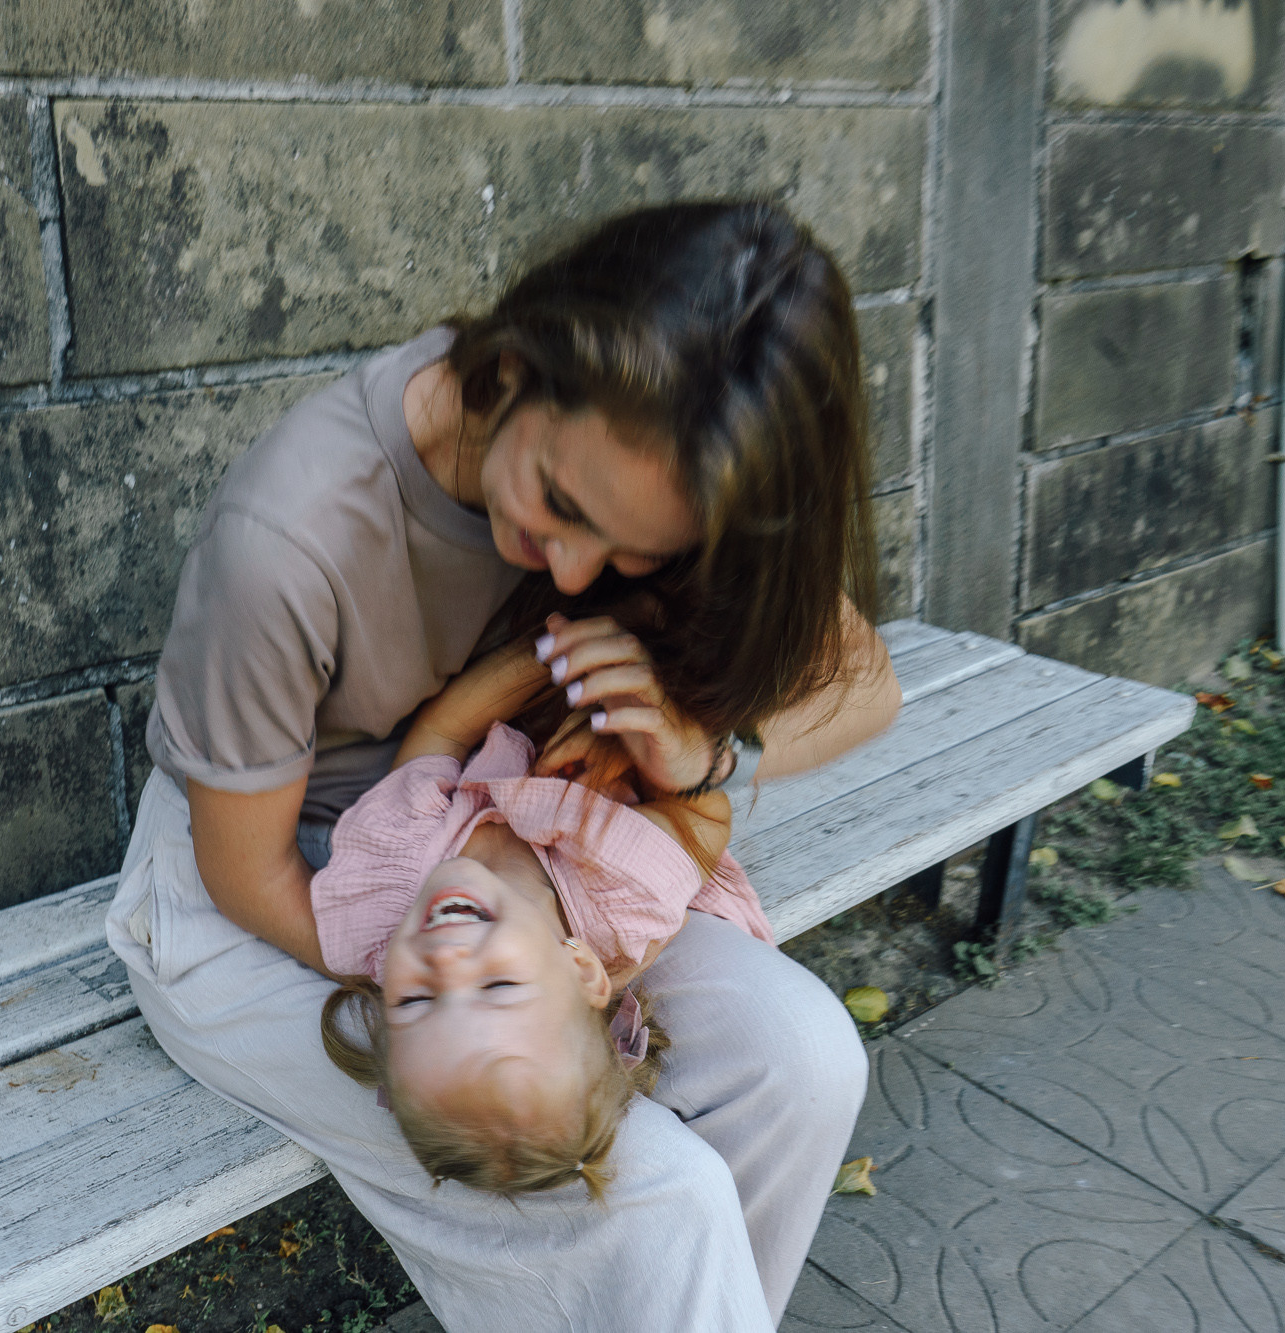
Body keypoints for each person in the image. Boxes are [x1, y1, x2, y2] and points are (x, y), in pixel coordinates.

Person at [107, 200, 903, 1330]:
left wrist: (706, 747)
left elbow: (865, 680)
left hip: (513, 857)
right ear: (515, 368)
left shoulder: (676, 450)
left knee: (806, 1061)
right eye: (559, 506)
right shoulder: (285, 541)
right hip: (257, 896)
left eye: (635, 552)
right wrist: (469, 974)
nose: (575, 573)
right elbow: (245, 873)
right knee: (656, 1197)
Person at [313, 627, 759, 1204]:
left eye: (415, 1000)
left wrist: (546, 656)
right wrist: (640, 737)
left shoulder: (389, 873)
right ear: (582, 970)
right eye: (497, 983)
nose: (445, 959)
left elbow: (441, 733)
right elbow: (706, 818)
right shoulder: (623, 894)